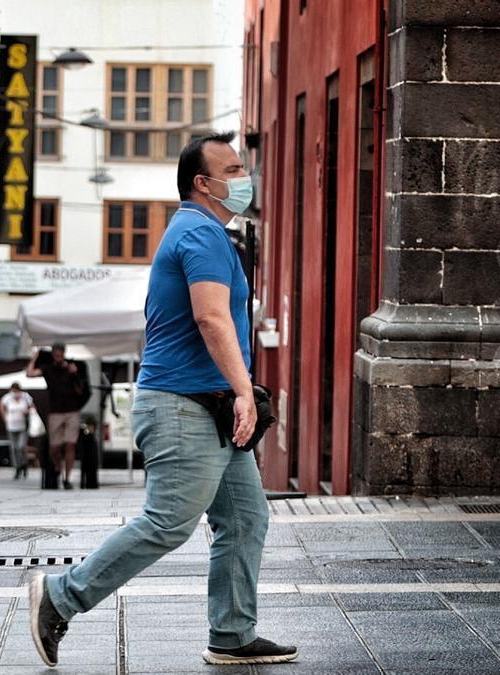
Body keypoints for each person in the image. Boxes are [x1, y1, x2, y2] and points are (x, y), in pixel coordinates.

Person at [27, 132, 298, 668]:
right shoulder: (199, 234)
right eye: (235, 170)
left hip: (208, 405)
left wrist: (238, 392)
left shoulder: (212, 234)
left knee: (245, 520)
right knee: (168, 521)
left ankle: (232, 634)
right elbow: (211, 317)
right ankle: (60, 597)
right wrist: (246, 391)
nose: (246, 179)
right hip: (182, 406)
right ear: (204, 183)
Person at [26, 343, 85, 489]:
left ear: (64, 353)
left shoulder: (71, 368)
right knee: (54, 447)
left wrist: (75, 373)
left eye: (61, 354)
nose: (59, 357)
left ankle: (67, 477)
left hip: (72, 410)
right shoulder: (48, 368)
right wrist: (35, 356)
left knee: (70, 444)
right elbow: (29, 373)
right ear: (53, 354)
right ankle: (58, 467)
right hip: (55, 411)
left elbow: (80, 390)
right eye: (56, 354)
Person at [0, 382, 36, 480]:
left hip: (22, 426)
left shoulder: (25, 397)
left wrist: (27, 412)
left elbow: (32, 407)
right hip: (11, 426)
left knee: (21, 446)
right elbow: (1, 406)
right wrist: (5, 418)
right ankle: (18, 466)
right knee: (14, 448)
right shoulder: (7, 398)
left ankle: (23, 463)